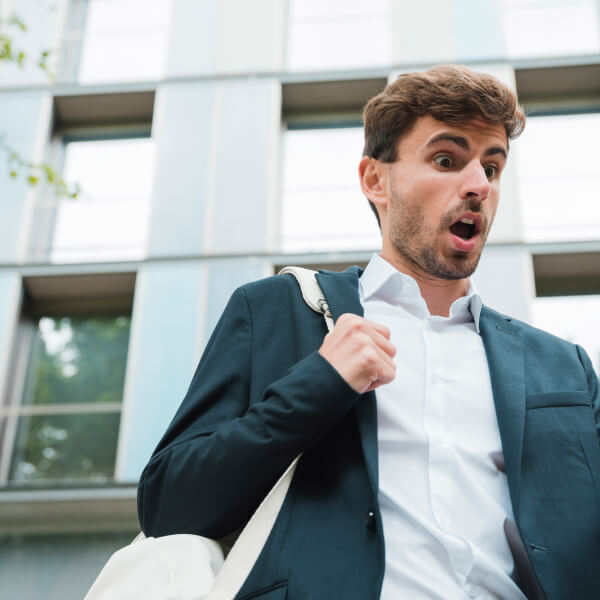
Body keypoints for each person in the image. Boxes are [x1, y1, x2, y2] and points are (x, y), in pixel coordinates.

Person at [137, 65, 600, 600]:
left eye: (492, 168)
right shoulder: (279, 310)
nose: (478, 185)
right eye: (447, 160)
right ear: (376, 180)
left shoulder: (564, 366)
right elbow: (169, 506)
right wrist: (319, 384)